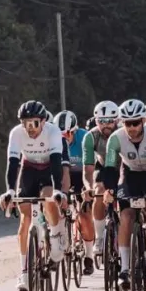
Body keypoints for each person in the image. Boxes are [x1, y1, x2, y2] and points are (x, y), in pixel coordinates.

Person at [98, 99, 146, 290]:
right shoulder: (116, 138)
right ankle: (124, 269)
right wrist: (110, 190)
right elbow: (111, 168)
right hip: (129, 175)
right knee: (126, 215)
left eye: (135, 123)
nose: (131, 127)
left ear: (144, 120)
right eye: (127, 123)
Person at [0, 101, 67, 291]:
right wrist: (10, 191)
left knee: (48, 198)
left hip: (48, 169)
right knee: (24, 219)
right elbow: (12, 163)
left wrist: (57, 190)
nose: (30, 129)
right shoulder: (16, 133)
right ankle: (24, 272)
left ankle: (55, 235)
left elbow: (56, 163)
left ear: (43, 122)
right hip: (28, 168)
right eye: (25, 124)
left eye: (34, 124)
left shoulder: (53, 133)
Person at [55, 110, 95, 275]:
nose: (64, 137)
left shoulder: (85, 138)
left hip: (82, 175)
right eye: (61, 134)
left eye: (67, 134)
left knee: (84, 215)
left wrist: (89, 188)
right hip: (63, 174)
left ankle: (89, 255)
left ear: (75, 131)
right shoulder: (55, 141)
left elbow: (91, 168)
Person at [82, 100, 119, 260]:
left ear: (117, 120)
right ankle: (100, 237)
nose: (106, 125)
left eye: (110, 121)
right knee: (98, 191)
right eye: (101, 121)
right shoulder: (91, 137)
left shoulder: (123, 132)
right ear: (96, 121)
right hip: (103, 167)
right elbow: (88, 169)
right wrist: (88, 187)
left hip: (125, 167)